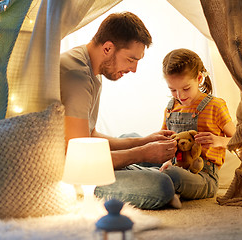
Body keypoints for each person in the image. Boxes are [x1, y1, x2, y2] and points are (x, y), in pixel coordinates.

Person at [60, 12, 177, 209]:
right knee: (162, 185)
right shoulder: (77, 75)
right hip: (70, 170)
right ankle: (144, 173)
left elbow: (90, 135)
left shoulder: (94, 69)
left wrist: (145, 141)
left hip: (82, 155)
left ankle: (142, 165)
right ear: (108, 48)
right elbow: (80, 157)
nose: (134, 69)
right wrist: (141, 153)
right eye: (131, 59)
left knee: (134, 137)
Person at [159, 48, 236, 203]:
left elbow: (239, 139)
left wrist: (219, 141)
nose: (180, 96)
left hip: (204, 176)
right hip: (177, 165)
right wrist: (166, 160)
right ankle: (166, 186)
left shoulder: (215, 105)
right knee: (130, 140)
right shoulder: (170, 107)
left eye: (186, 88)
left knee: (171, 177)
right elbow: (164, 141)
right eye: (173, 90)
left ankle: (167, 188)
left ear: (199, 78)